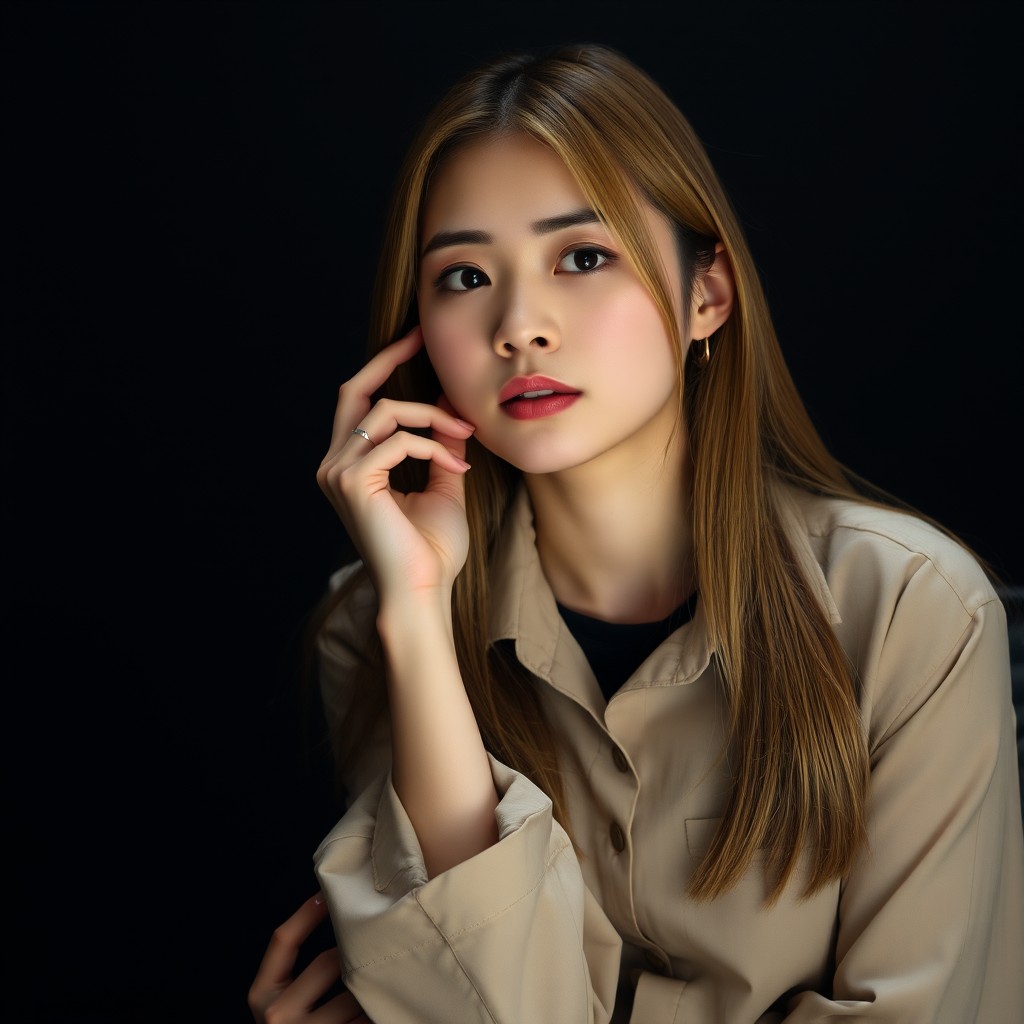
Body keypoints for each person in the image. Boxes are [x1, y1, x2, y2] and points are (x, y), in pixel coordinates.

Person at [248, 41, 1024, 1024]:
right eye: (462, 276)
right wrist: (415, 615)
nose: (520, 324)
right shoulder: (371, 625)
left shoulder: (910, 607)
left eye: (582, 256)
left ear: (708, 294)